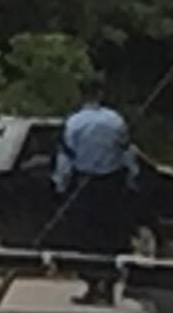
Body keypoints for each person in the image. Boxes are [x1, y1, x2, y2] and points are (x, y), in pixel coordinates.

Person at [49, 82, 138, 307]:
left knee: (86, 238)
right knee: (112, 237)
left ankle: (91, 285)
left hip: (84, 186)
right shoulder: (115, 120)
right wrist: (132, 178)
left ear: (80, 96)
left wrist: (60, 185)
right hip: (112, 186)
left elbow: (66, 158)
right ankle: (108, 288)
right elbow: (126, 152)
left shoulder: (74, 123)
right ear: (100, 95)